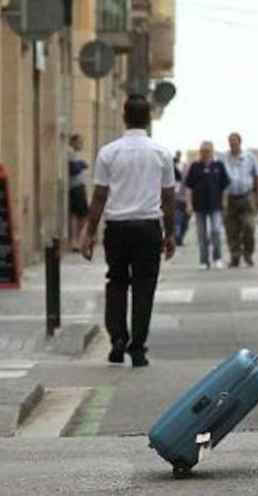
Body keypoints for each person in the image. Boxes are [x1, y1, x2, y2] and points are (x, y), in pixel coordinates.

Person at [79, 95, 175, 368]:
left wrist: (89, 232)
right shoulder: (161, 153)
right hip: (148, 228)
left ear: (124, 117)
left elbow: (99, 197)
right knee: (145, 288)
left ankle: (118, 339)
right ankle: (138, 348)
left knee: (117, 282)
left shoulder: (109, 152)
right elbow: (168, 198)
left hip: (117, 229)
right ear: (147, 118)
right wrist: (170, 234)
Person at [185, 141, 230, 270]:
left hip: (215, 205)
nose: (205, 153)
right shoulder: (195, 166)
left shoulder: (218, 165)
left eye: (207, 151)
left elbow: (225, 187)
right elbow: (189, 188)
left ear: (212, 151)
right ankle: (204, 261)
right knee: (201, 234)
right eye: (202, 151)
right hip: (199, 206)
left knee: (216, 231)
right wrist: (189, 204)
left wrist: (225, 201)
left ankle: (217, 258)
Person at [222, 132, 258, 267]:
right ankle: (235, 256)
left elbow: (257, 177)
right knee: (231, 229)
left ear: (240, 142)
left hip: (247, 197)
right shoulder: (223, 158)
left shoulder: (249, 157)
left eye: (234, 141)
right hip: (230, 198)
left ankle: (248, 254)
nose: (232, 144)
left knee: (249, 227)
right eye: (230, 141)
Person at [67, 134, 90, 252]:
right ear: (73, 142)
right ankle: (78, 240)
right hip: (76, 188)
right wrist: (82, 164)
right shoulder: (70, 152)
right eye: (79, 142)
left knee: (78, 215)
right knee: (81, 216)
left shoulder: (75, 153)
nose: (81, 144)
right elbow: (73, 169)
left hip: (78, 187)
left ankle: (77, 240)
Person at [172, 150, 191, 246]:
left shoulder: (186, 168)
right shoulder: (172, 168)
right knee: (177, 220)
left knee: (185, 222)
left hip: (187, 199)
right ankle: (177, 238)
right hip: (176, 199)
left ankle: (180, 238)